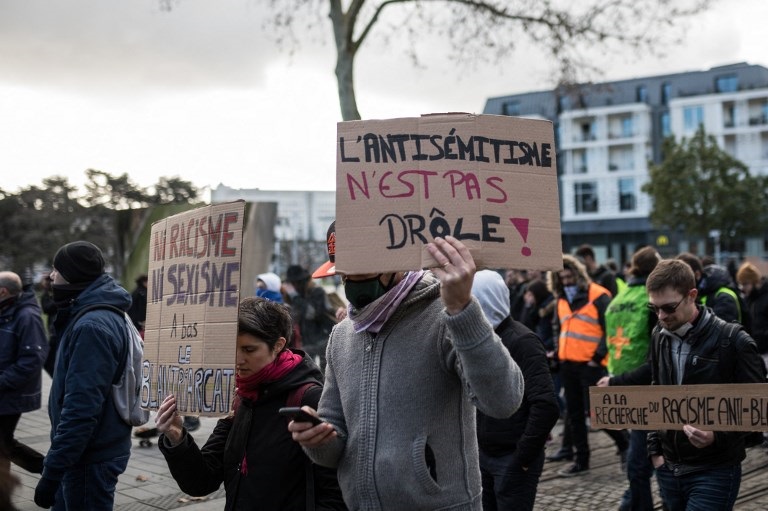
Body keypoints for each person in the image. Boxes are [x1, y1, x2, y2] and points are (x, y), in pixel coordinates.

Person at [288, 222, 524, 510]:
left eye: (359, 269)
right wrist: (317, 440)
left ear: (393, 263)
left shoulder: (444, 315)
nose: (349, 280)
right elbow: (334, 441)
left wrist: (462, 309)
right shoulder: (342, 335)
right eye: (343, 273)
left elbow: (504, 400)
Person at [155, 297, 345, 511]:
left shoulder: (309, 399)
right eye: (231, 348)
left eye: (249, 350)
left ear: (278, 345)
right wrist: (177, 437)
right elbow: (202, 480)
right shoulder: (239, 397)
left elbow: (334, 493)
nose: (237, 359)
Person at [645, 259, 766, 510]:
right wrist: (655, 452)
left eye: (668, 307)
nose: (661, 316)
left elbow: (758, 409)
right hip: (669, 467)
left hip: (715, 468)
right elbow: (656, 392)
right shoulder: (659, 336)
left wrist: (717, 436)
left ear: (692, 295)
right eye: (654, 308)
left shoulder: (733, 340)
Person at [34, 241, 134, 510]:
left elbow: (82, 407)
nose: (51, 276)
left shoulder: (91, 325)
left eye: (56, 269)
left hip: (89, 458)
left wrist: (52, 471)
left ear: (73, 272)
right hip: (85, 453)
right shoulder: (88, 311)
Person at [472, 270, 560, 511]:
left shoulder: (523, 341)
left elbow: (546, 405)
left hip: (511, 457)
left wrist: (522, 458)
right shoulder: (479, 342)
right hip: (484, 455)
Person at [548, 254, 628, 477]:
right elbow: (559, 328)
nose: (566, 282)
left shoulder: (598, 295)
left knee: (598, 414)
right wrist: (558, 352)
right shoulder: (561, 299)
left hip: (590, 365)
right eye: (562, 278)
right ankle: (581, 460)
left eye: (569, 276)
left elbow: (611, 329)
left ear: (578, 274)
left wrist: (597, 356)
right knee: (574, 417)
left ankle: (624, 443)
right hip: (568, 364)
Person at [597, 246, 661, 511]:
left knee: (638, 465)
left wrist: (616, 379)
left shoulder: (617, 300)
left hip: (625, 383)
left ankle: (633, 504)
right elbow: (658, 352)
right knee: (662, 466)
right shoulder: (652, 300)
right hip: (654, 385)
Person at [0, 271, 47, 475]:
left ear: (2, 291)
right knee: (3, 444)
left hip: (11, 392)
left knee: (3, 444)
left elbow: (32, 359)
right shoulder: (6, 309)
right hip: (5, 389)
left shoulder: (26, 315)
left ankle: (51, 471)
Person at [283, 264, 336, 369]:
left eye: (295, 283)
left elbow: (311, 313)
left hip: (323, 338)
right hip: (307, 340)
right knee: (307, 369)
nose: (294, 287)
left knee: (325, 371)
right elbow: (294, 318)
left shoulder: (317, 292)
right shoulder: (297, 297)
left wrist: (295, 297)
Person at [736, 262, 768, 366]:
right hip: (755, 351)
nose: (743, 288)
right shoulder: (747, 299)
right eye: (741, 284)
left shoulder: (765, 298)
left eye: (745, 284)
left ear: (755, 281)